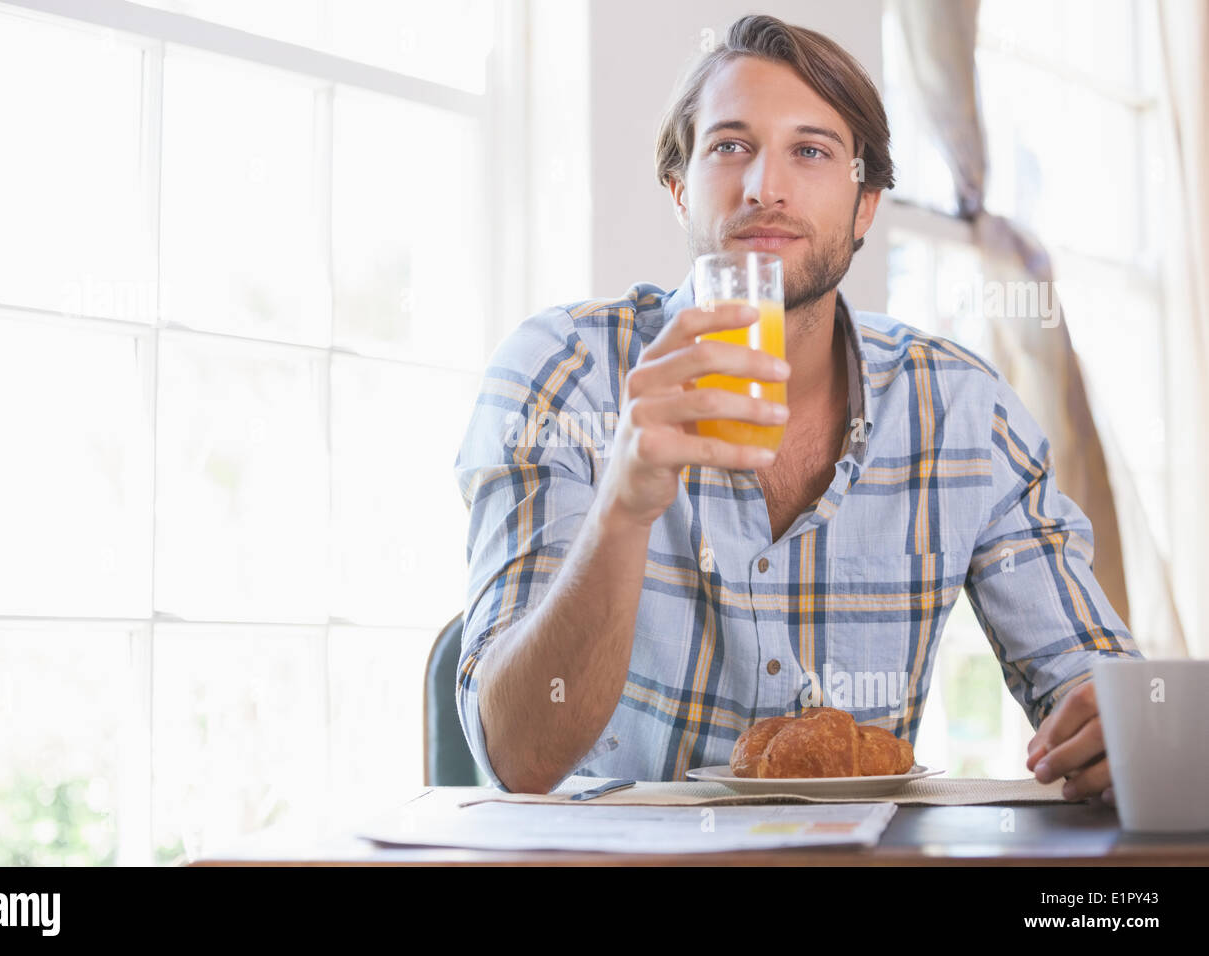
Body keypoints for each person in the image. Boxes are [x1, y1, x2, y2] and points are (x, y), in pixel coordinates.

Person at [453, 14, 1142, 796]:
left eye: (811, 151)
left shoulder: (963, 411)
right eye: (729, 147)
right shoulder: (563, 372)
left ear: (866, 207)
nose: (764, 187)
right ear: (680, 191)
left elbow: (1100, 689)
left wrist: (1114, 721)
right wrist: (624, 507)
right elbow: (519, 756)